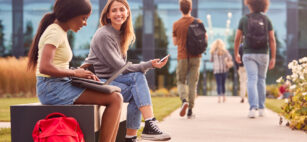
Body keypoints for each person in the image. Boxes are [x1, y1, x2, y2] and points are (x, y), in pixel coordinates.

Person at [27, 0, 123, 141]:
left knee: (116, 96)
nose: (85, 23)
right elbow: (44, 67)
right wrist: (74, 73)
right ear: (71, 14)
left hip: (58, 84)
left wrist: (79, 73)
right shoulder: (54, 32)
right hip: (52, 88)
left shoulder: (59, 31)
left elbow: (57, 65)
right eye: (83, 18)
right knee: (115, 99)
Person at [82, 0, 170, 141]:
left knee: (138, 90)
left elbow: (121, 69)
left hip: (112, 79)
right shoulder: (104, 34)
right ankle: (149, 123)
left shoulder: (122, 33)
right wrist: (148, 65)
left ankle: (131, 137)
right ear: (108, 15)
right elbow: (120, 67)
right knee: (137, 77)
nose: (119, 13)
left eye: (122, 9)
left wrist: (147, 65)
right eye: (114, 10)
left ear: (128, 12)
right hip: (99, 81)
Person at [234, 0, 276, 118]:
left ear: (250, 4)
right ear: (264, 5)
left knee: (251, 79)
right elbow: (272, 39)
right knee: (261, 79)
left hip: (248, 53)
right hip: (263, 53)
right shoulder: (267, 19)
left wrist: (236, 53)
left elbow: (237, 38)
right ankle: (262, 108)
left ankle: (253, 108)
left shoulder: (244, 19)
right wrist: (273, 57)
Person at [173, 0, 206, 119]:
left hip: (182, 56)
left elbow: (175, 42)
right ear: (190, 9)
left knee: (181, 81)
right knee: (192, 83)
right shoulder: (198, 22)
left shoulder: (176, 24)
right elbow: (205, 38)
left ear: (180, 9)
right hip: (196, 56)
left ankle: (184, 100)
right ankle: (190, 110)